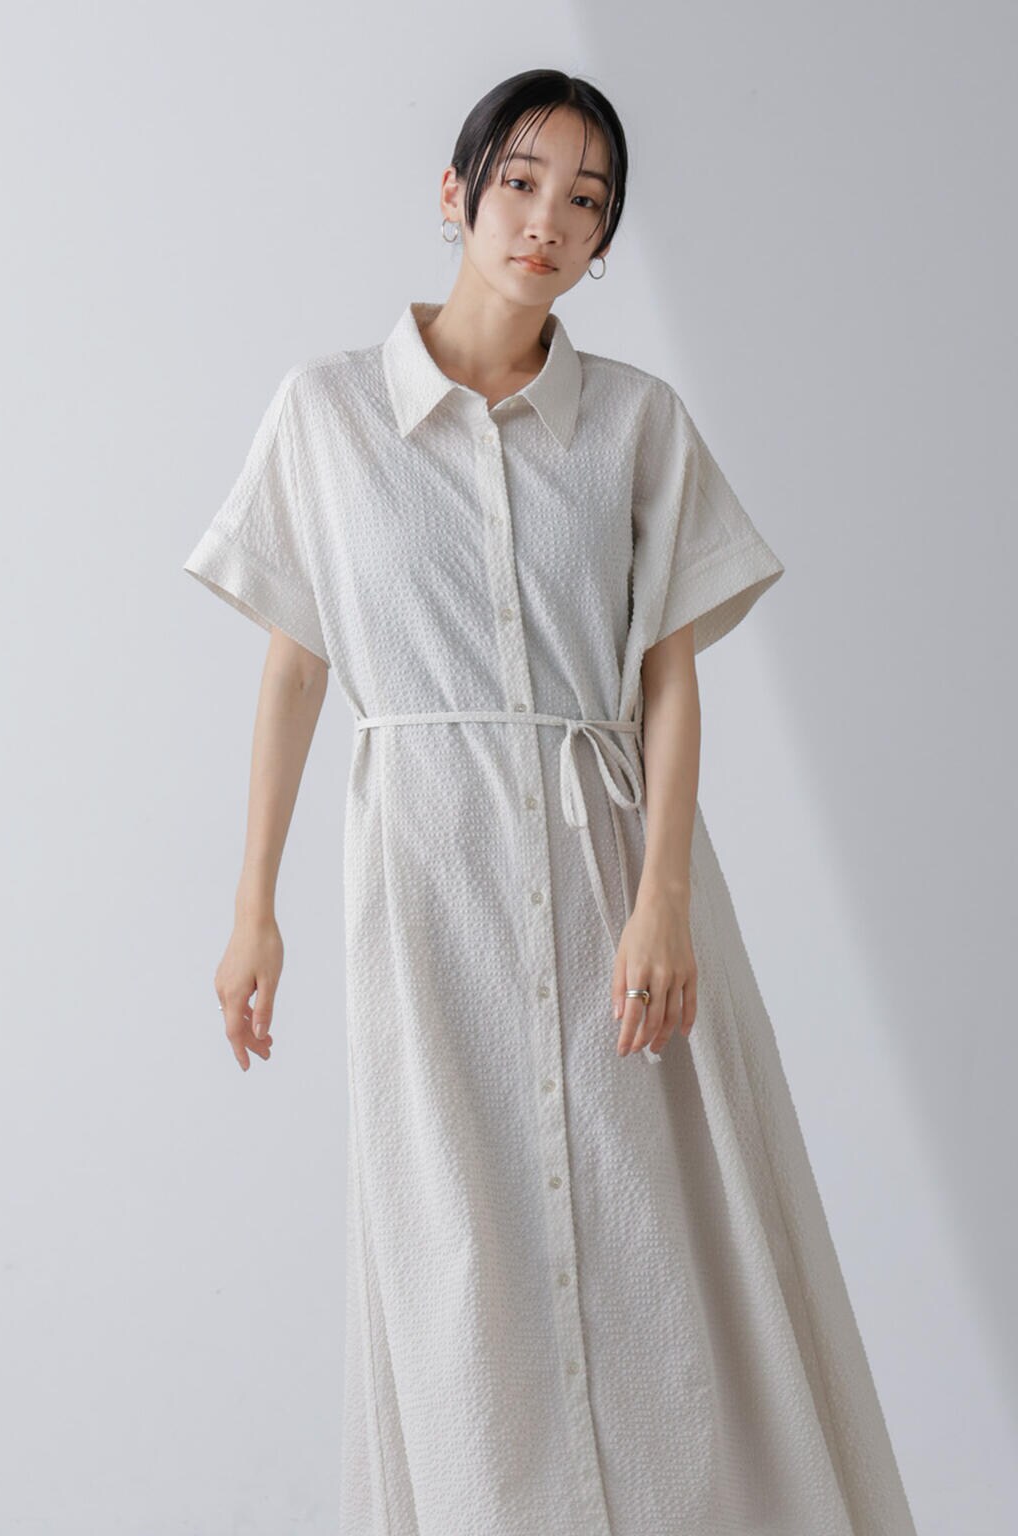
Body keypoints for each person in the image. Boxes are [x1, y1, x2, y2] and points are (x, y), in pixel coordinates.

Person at [183, 67, 918, 1536]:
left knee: (667, 1238)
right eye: (520, 183)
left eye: (586, 201)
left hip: (615, 877)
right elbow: (295, 670)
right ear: (455, 194)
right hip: (426, 881)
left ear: (604, 239)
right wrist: (252, 905)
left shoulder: (637, 423)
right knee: (456, 1252)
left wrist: (663, 899)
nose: (547, 222)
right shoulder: (325, 415)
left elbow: (668, 677)